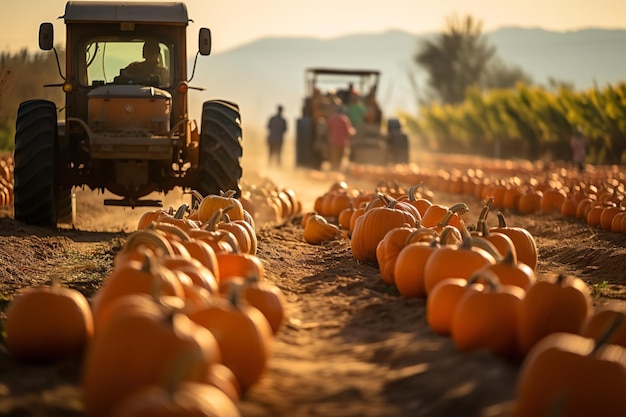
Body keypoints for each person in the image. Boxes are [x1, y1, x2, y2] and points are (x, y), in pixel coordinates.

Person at [326, 105, 355, 171]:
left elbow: (328, 128)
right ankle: (337, 171)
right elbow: (349, 131)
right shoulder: (345, 119)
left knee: (334, 157)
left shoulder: (332, 119)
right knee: (340, 158)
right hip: (342, 142)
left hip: (333, 141)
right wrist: (353, 132)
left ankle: (333, 170)